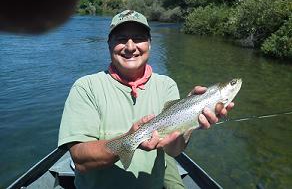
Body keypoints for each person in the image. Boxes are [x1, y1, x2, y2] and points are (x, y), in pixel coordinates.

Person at [58, 10, 234, 189]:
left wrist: (189, 117)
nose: (130, 46)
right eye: (121, 39)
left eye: (138, 38)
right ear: (109, 45)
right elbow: (80, 159)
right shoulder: (86, 87)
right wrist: (129, 140)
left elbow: (173, 150)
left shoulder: (166, 85)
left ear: (149, 44)